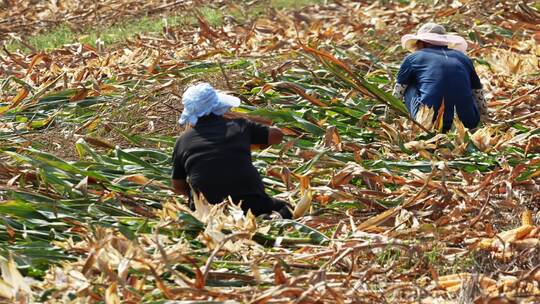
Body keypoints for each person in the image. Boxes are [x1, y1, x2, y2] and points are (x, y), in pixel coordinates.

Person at [171, 82, 292, 219]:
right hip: (251, 202)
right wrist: (241, 118)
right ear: (219, 106)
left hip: (208, 210)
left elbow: (178, 185)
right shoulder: (238, 126)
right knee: (286, 208)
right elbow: (277, 135)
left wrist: (196, 198)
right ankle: (269, 220)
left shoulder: (182, 141)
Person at [393, 23, 488, 132]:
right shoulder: (463, 58)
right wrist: (484, 117)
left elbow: (397, 93)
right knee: (463, 84)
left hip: (429, 123)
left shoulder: (413, 58)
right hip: (468, 123)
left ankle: (422, 120)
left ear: (422, 43)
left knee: (408, 84)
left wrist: (388, 119)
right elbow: (478, 93)